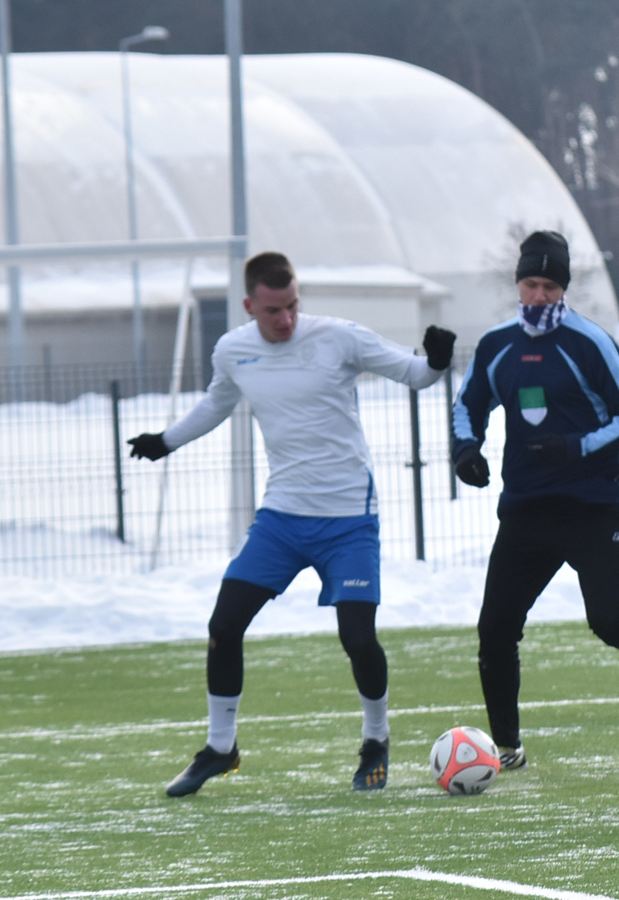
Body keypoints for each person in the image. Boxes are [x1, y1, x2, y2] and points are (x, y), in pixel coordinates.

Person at [126, 251, 455, 796]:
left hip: (349, 517)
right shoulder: (233, 351)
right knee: (224, 625)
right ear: (250, 305)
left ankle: (376, 740)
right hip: (280, 518)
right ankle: (220, 748)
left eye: (294, 306)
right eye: (274, 310)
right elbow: (216, 403)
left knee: (357, 636)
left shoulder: (339, 337)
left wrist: (438, 361)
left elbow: (413, 373)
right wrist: (166, 442)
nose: (287, 320)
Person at [452, 230, 619, 771]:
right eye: (531, 283)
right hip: (525, 508)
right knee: (495, 630)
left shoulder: (588, 342)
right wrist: (465, 451)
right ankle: (506, 747)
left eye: (550, 285)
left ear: (564, 288)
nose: (539, 295)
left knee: (607, 620)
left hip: (594, 506)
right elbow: (467, 407)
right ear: (518, 283)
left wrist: (577, 447)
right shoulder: (496, 345)